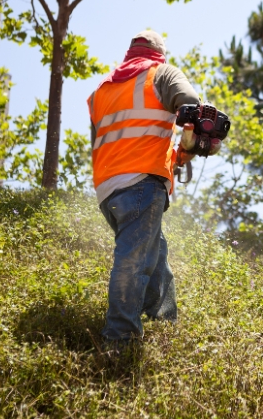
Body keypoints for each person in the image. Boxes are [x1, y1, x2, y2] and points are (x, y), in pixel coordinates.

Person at [87, 30, 202, 346]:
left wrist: (177, 156)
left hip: (108, 189)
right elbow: (192, 108)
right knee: (133, 261)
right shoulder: (161, 74)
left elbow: (121, 139)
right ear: (158, 54)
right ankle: (118, 342)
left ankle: (164, 327)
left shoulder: (103, 89)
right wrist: (193, 142)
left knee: (154, 256)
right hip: (141, 184)